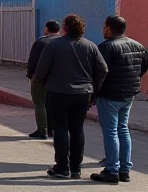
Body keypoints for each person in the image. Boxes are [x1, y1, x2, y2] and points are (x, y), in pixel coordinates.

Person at [34, 14, 108, 180]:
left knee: (60, 128)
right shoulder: (90, 46)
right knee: (77, 129)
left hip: (58, 92)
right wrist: (94, 90)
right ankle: (76, 168)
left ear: (65, 28)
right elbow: (103, 69)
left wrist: (45, 81)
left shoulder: (54, 45)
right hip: (83, 93)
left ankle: (62, 167)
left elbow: (40, 71)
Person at [90, 15, 146, 184]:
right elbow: (143, 66)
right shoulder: (138, 46)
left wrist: (93, 94)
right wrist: (133, 80)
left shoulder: (106, 48)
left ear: (108, 28)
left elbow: (100, 73)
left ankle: (112, 169)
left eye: (104, 27)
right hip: (129, 93)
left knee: (111, 131)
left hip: (110, 95)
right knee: (123, 129)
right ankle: (125, 169)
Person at [26, 20, 61, 139]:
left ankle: (42, 129)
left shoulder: (41, 42)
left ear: (46, 29)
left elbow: (33, 61)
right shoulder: (62, 42)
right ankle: (52, 128)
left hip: (41, 77)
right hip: (58, 78)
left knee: (40, 102)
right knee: (51, 103)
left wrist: (30, 74)